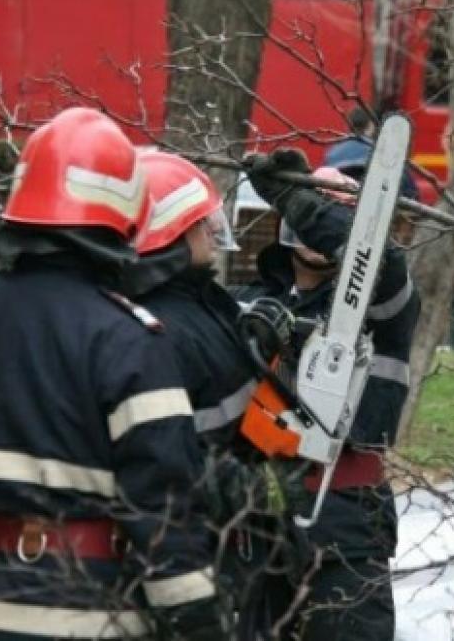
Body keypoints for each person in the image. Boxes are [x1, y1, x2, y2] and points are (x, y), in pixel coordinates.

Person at [0, 108, 226, 640]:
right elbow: (165, 515)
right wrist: (199, 622)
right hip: (87, 615)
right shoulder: (132, 342)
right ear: (125, 212)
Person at [238, 149, 420, 640]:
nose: (318, 235)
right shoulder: (251, 303)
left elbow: (371, 259)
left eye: (336, 218)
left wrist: (297, 198)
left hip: (345, 518)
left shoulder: (384, 302)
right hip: (256, 516)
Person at [127, 151, 302, 640]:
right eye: (200, 222)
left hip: (238, 543)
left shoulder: (201, 304)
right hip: (210, 547)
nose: (212, 231)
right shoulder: (166, 326)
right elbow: (178, 457)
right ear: (169, 234)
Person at [322, 107, 418, 201]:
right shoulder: (383, 154)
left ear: (347, 126)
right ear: (371, 126)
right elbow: (411, 194)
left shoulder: (332, 153)